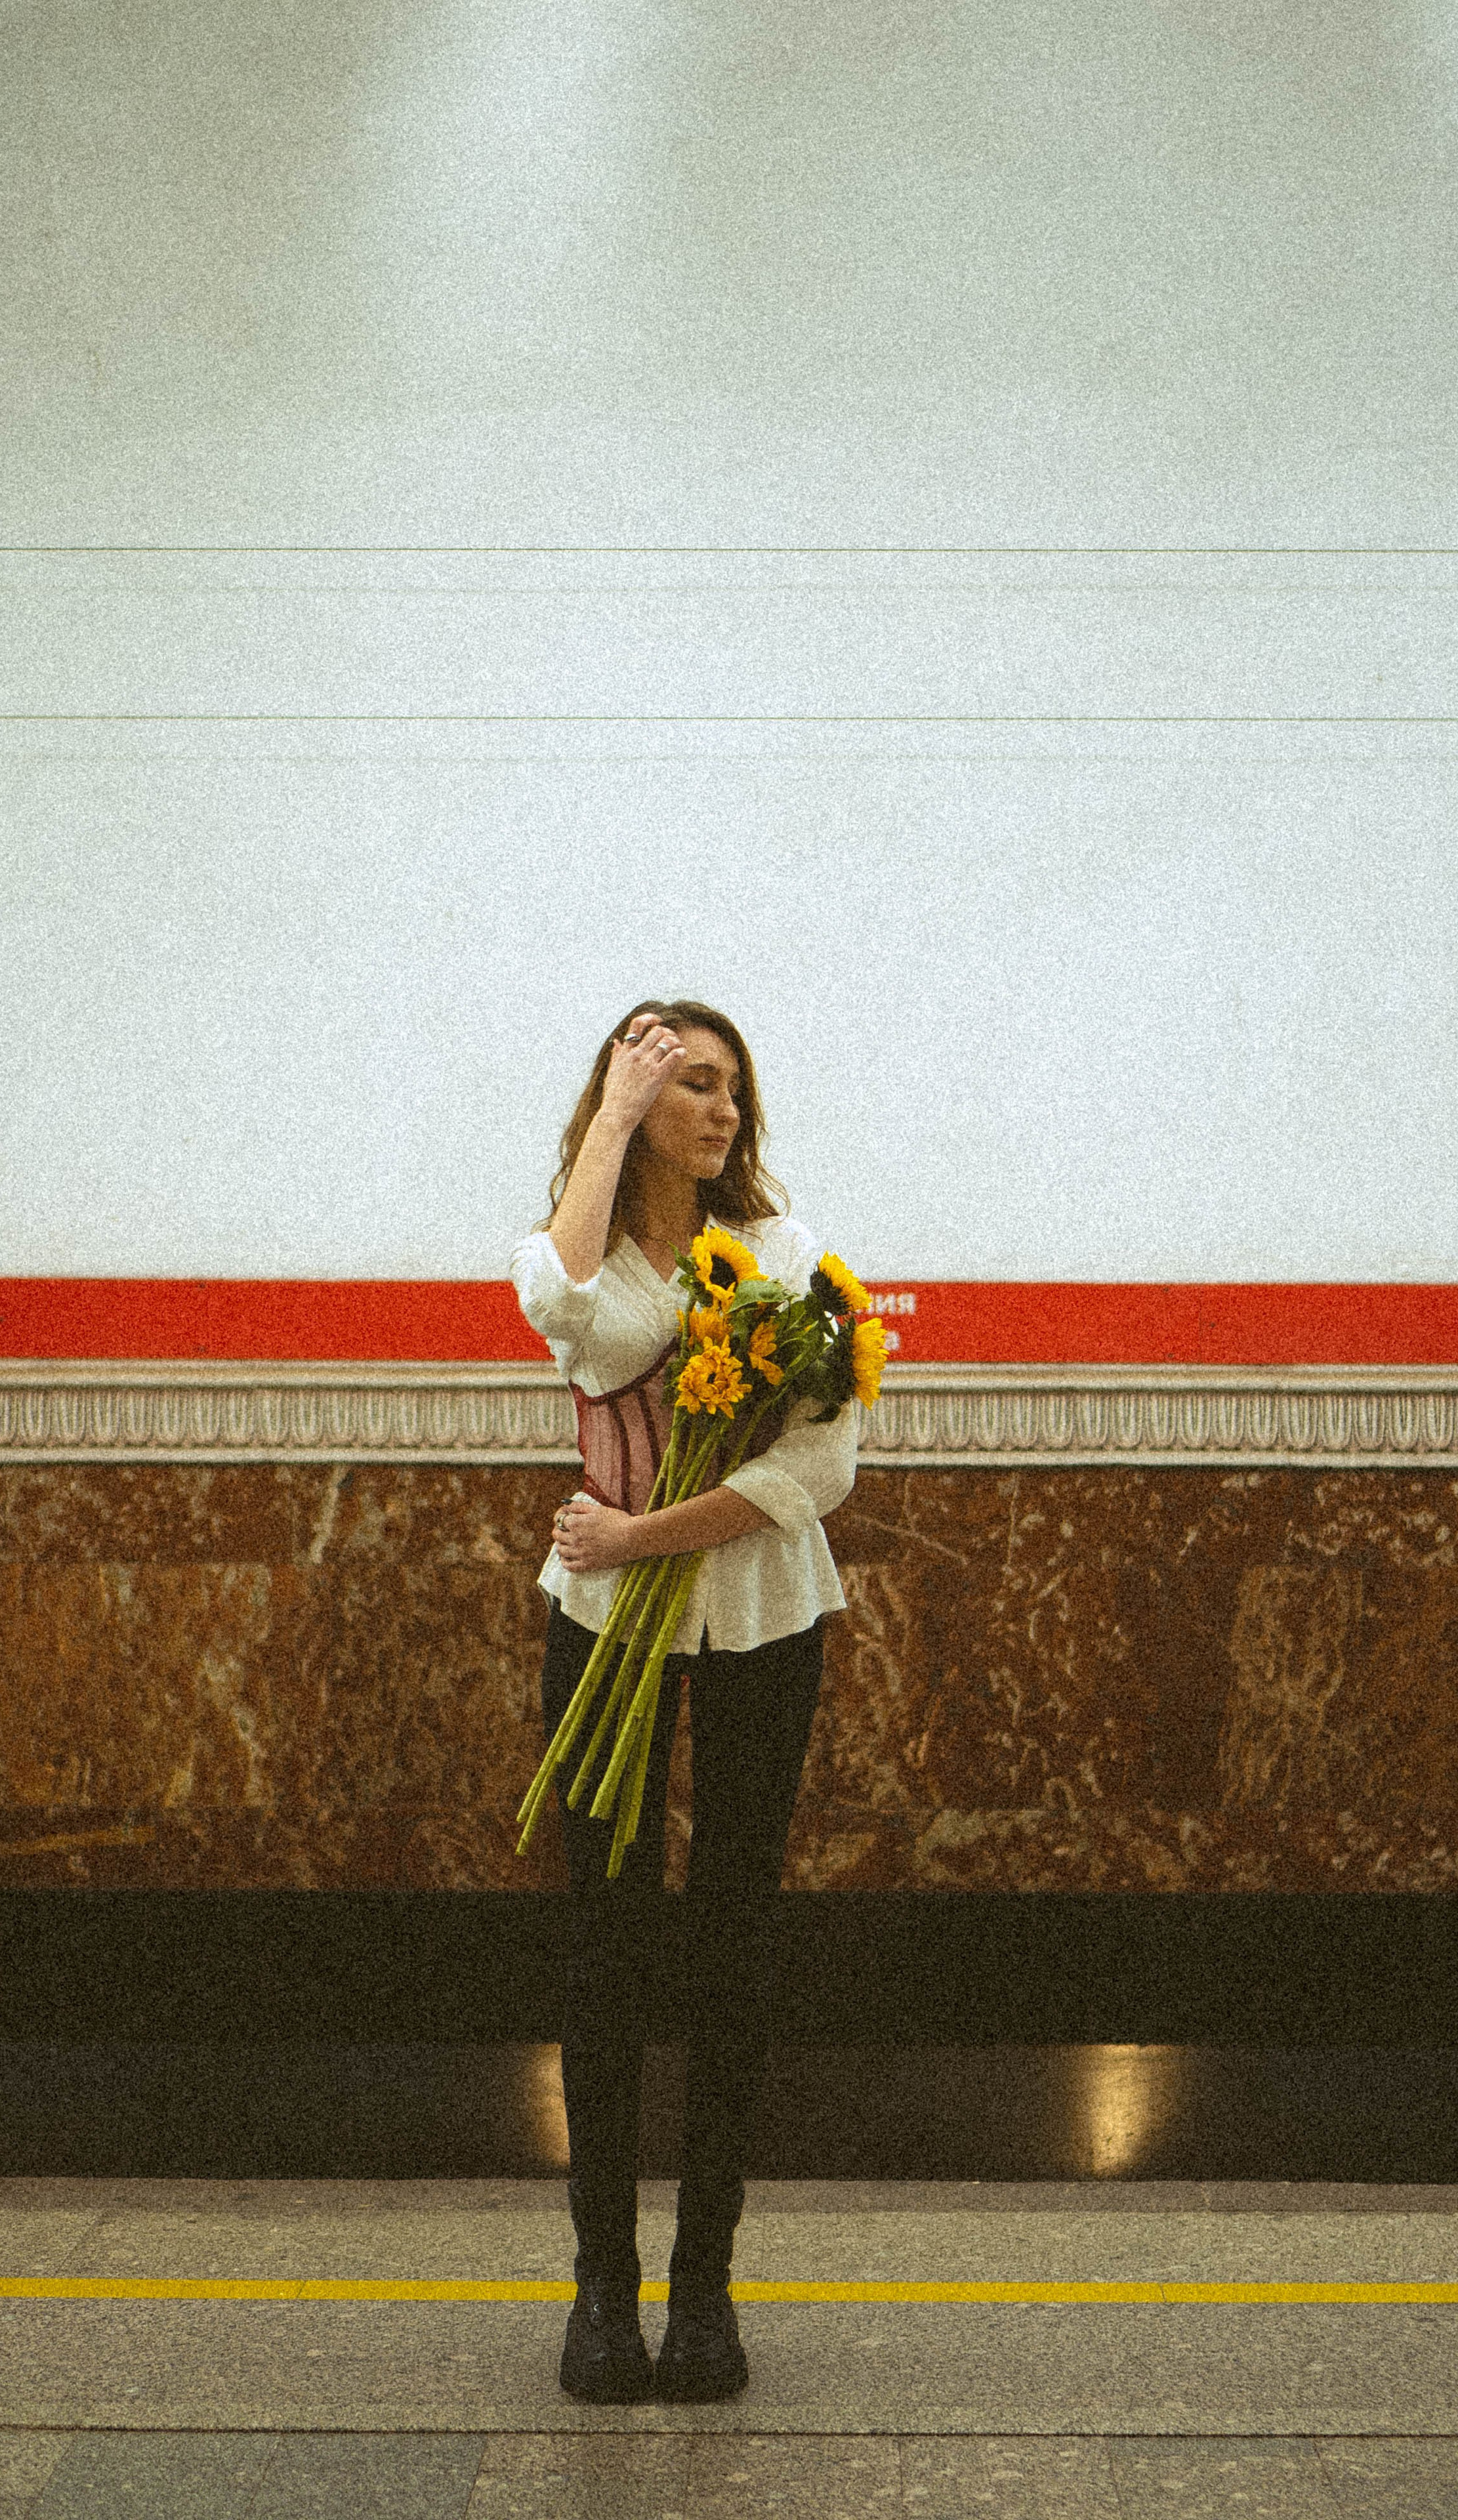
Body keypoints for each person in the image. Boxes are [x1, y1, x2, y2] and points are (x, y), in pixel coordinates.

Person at [510, 999, 858, 2406]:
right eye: (688, 1085)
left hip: (762, 1617)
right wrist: (607, 1113)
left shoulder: (779, 1260)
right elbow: (563, 1312)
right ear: (632, 1100)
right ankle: (603, 2291)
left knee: (732, 1941)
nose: (717, 1109)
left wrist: (642, 1536)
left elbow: (817, 1469)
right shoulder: (578, 1250)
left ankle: (705, 2287)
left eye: (729, 1089)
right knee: (604, 1944)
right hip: (601, 1634)